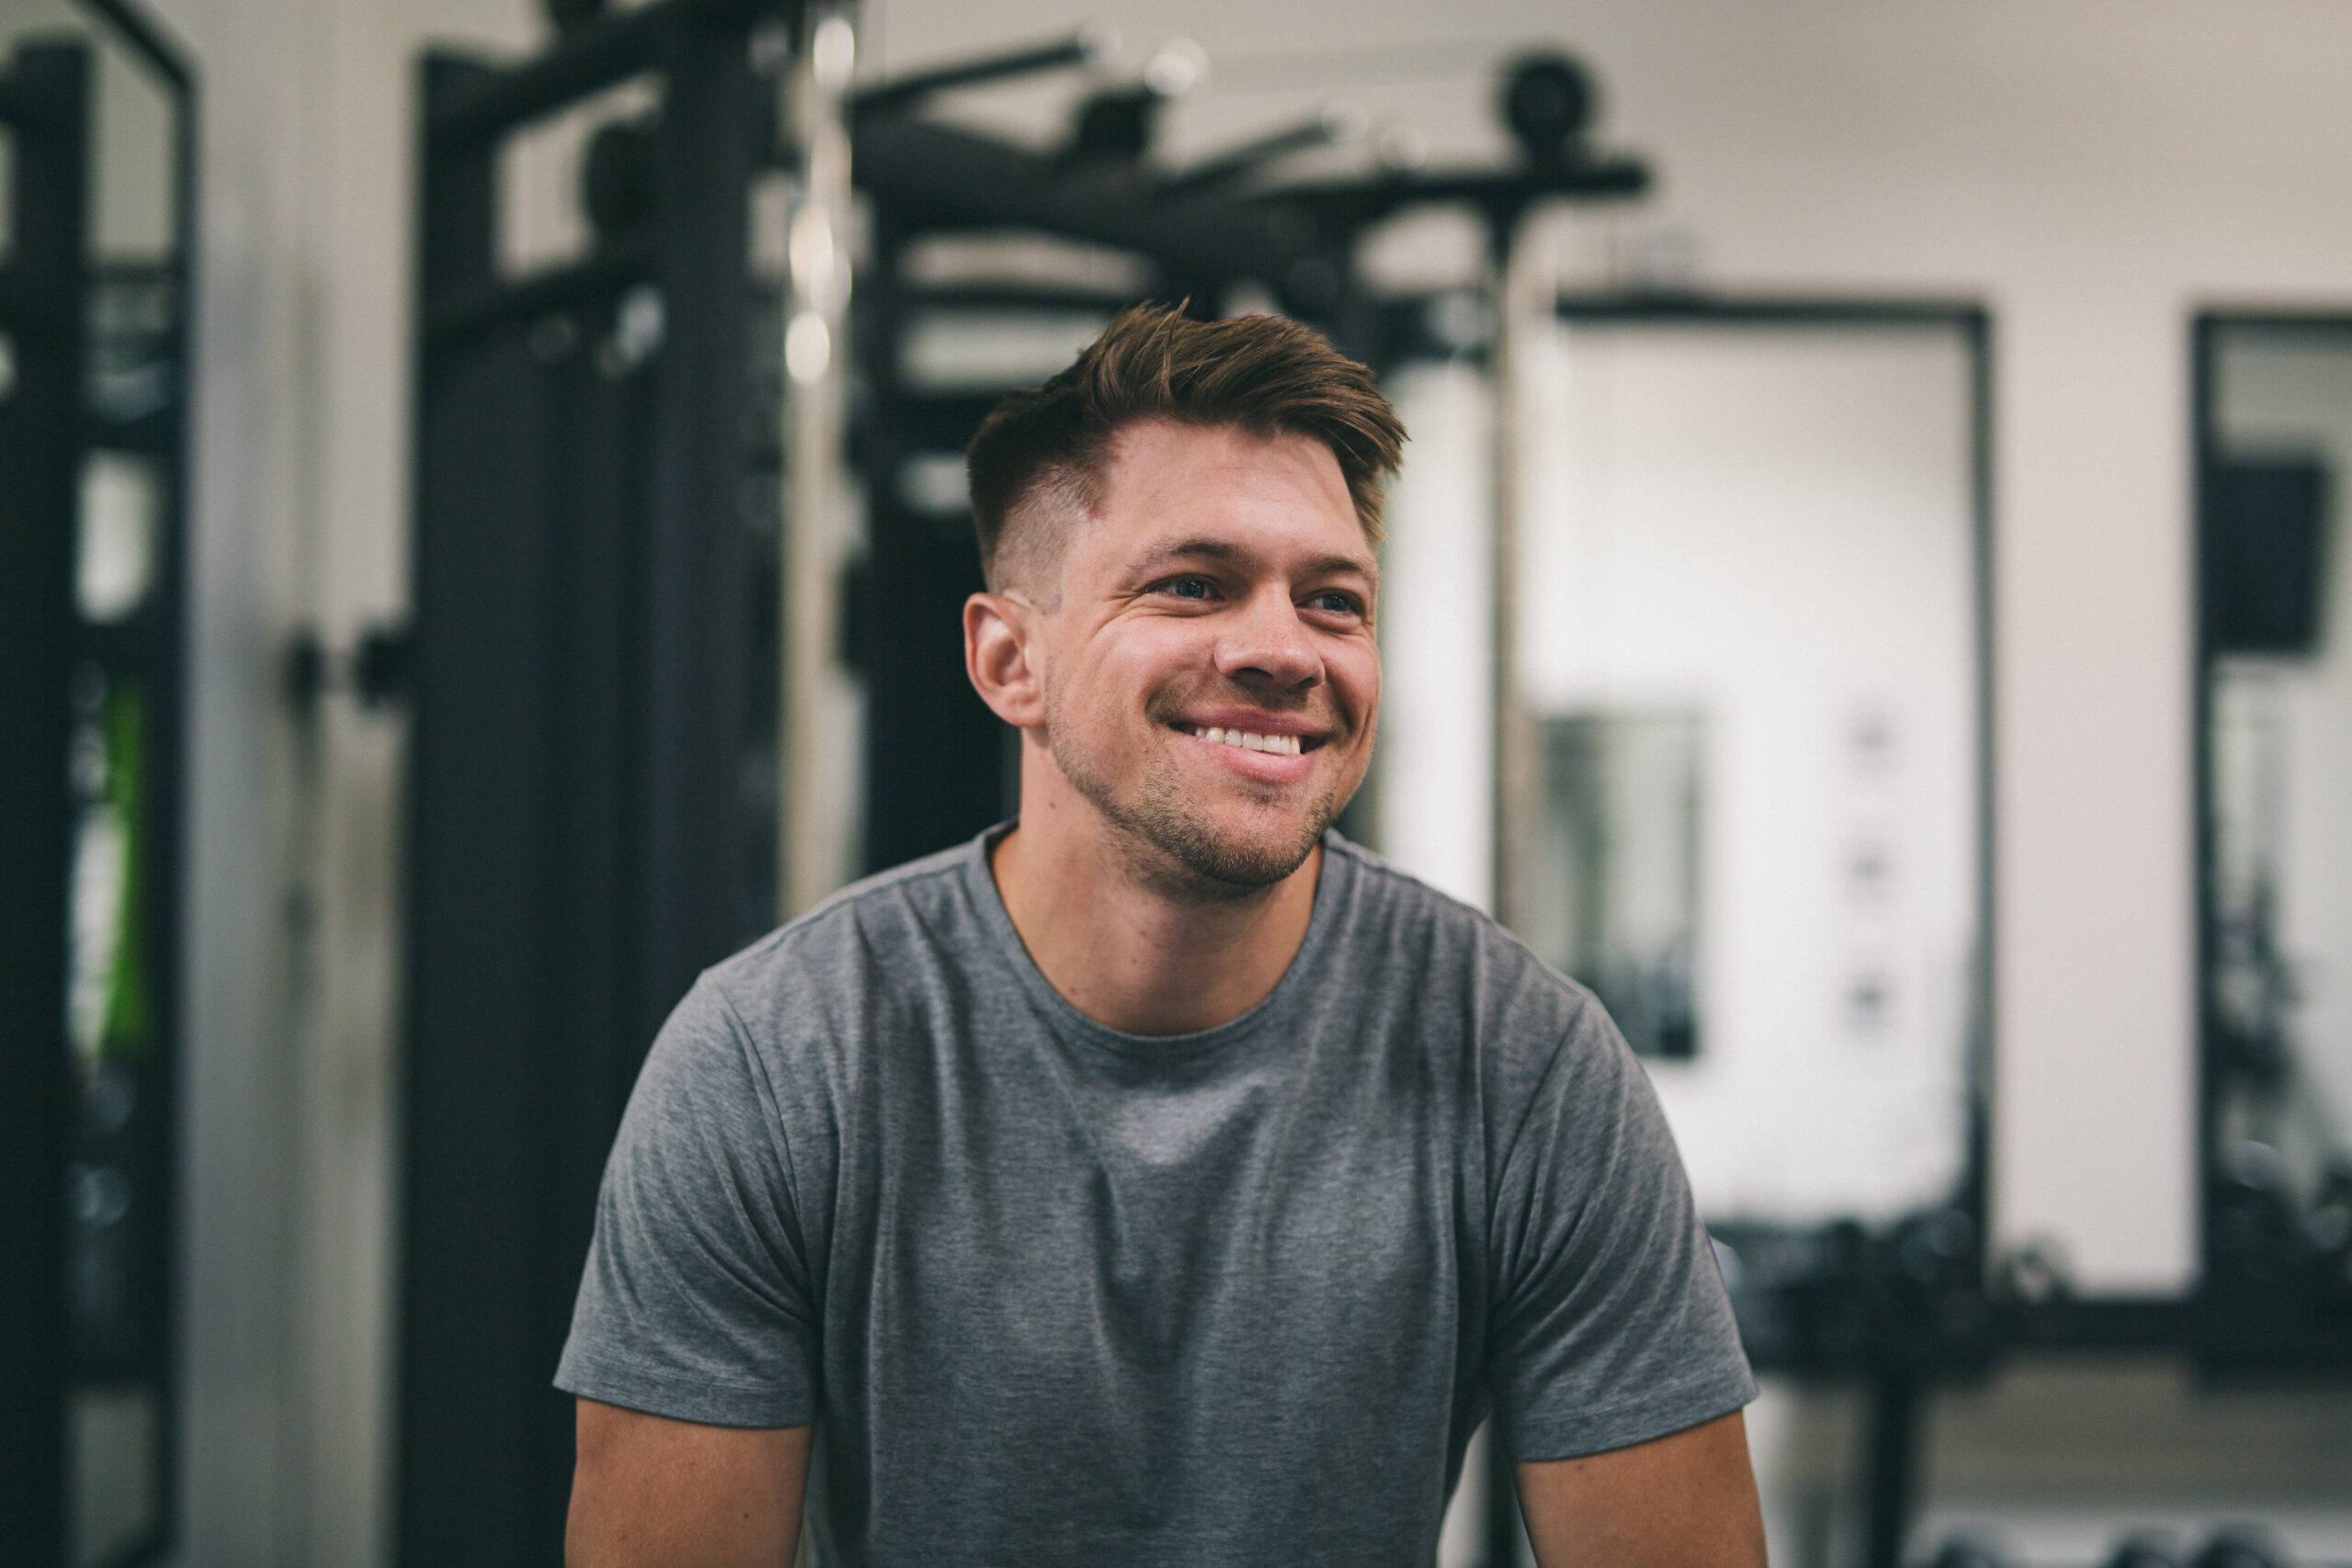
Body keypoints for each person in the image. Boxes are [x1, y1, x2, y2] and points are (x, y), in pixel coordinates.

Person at [558, 304, 1767, 1567]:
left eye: (1333, 600)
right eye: (1194, 585)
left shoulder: (1528, 1068)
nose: (1282, 650)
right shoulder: (775, 1064)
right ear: (1008, 659)